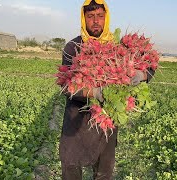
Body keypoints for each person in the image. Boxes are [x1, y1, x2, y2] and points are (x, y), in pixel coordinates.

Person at [59, 0, 154, 179]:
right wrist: (94, 93)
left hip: (106, 118)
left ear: (106, 17)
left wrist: (142, 75)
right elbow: (66, 86)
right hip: (76, 119)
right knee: (70, 165)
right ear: (83, 18)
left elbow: (150, 64)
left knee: (103, 172)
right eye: (91, 16)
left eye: (100, 16)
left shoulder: (118, 46)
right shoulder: (72, 47)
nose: (96, 21)